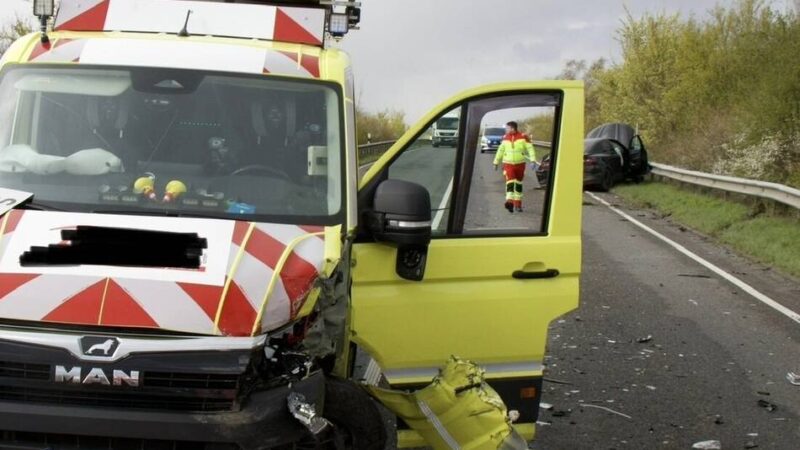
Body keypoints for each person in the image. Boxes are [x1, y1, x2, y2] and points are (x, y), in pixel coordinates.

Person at [493, 121, 535, 213]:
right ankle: (509, 202)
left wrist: (532, 160)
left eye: (507, 128)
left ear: (512, 128)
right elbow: (500, 150)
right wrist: (496, 162)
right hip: (508, 164)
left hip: (520, 165)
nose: (506, 130)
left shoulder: (523, 137)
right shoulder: (504, 138)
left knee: (518, 184)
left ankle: (518, 205)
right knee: (510, 182)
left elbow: (530, 148)